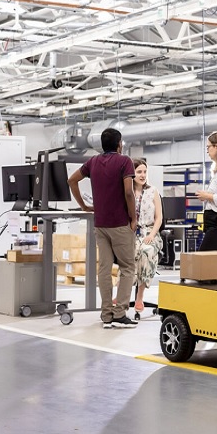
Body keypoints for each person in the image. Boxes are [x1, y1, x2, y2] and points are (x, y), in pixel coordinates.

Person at [68, 128, 138, 329]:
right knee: (127, 267)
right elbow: (129, 192)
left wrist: (83, 206)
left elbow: (71, 180)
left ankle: (106, 314)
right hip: (120, 223)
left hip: (100, 224)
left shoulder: (92, 162)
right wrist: (133, 218)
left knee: (104, 269)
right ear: (119, 144)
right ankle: (120, 313)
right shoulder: (124, 161)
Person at [114, 158, 163, 318]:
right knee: (127, 254)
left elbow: (159, 218)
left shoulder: (153, 191)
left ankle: (139, 298)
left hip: (150, 232)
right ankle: (121, 294)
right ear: (132, 174)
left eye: (144, 171)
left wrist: (152, 235)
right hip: (131, 233)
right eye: (139, 172)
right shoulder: (126, 192)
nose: (142, 175)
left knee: (145, 252)